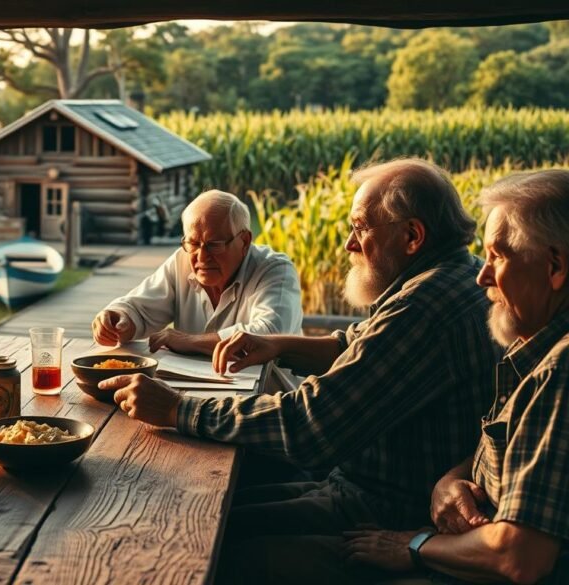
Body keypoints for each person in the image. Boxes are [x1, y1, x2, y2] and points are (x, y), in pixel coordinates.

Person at [100, 159, 501, 583]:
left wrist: (179, 409)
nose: (348, 243)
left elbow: (310, 426)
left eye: (360, 228)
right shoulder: (454, 275)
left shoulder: (423, 308)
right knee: (203, 511)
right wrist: (278, 346)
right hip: (362, 486)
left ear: (412, 236)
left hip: (382, 507)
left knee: (200, 540)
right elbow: (355, 345)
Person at [345, 170, 569, 584]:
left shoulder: (560, 374)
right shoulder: (534, 351)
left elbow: (522, 555)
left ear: (555, 266)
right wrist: (451, 479)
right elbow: (523, 445)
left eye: (498, 256)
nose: (482, 276)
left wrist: (414, 547)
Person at [92, 190, 302, 355]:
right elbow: (139, 309)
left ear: (244, 241)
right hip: (196, 395)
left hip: (269, 399)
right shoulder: (182, 260)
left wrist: (187, 341)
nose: (201, 256)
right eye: (193, 243)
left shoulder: (275, 269)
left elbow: (269, 334)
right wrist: (119, 320)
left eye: (214, 245)